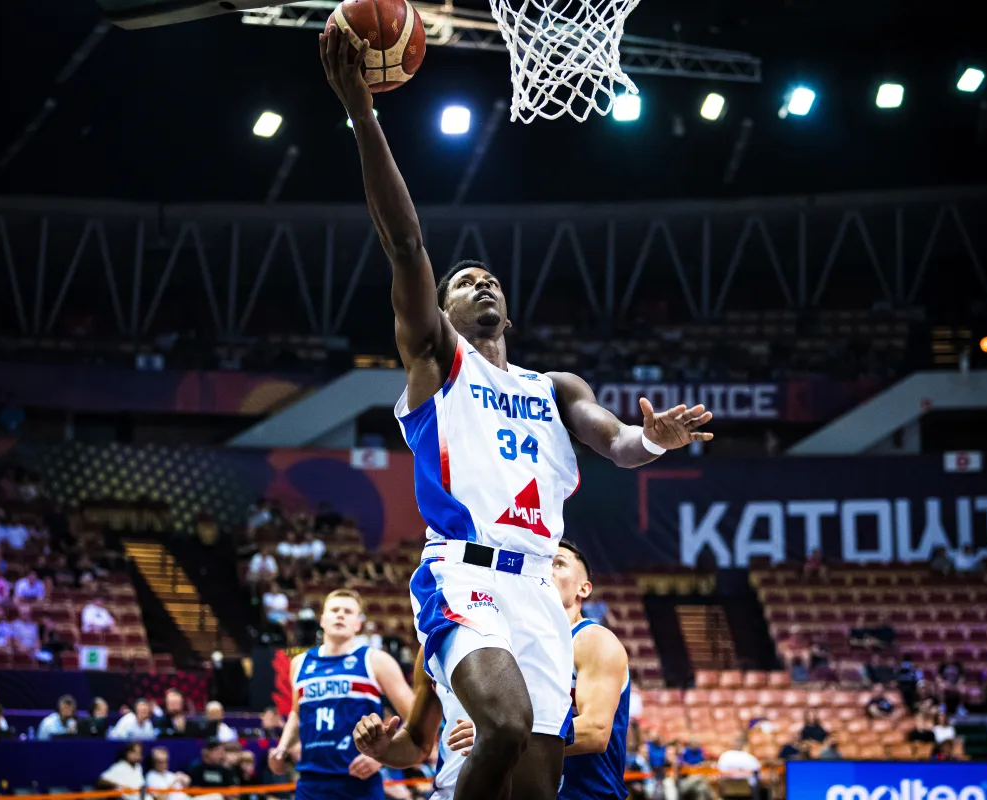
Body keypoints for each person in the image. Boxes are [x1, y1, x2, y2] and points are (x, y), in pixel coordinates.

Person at [319, 21, 714, 800]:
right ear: (443, 309)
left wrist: (653, 438)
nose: (483, 286)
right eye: (465, 282)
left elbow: (619, 444)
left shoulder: (556, 387)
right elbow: (403, 246)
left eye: (491, 279)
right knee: (497, 724)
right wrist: (363, 112)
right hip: (462, 575)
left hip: (537, 592)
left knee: (534, 784)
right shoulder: (438, 362)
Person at [354, 542, 631, 800]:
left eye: (557, 563)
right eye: (540, 561)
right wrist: (384, 751)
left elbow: (596, 730)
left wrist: (499, 733)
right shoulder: (449, 640)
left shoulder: (591, 640)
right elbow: (417, 742)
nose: (545, 569)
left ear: (583, 588)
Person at [268, 589, 415, 800]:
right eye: (334, 610)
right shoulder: (300, 663)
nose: (340, 615)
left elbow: (414, 715)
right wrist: (282, 748)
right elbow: (297, 713)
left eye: (348, 611)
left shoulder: (375, 660)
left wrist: (382, 757)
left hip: (359, 783)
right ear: (322, 620)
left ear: (358, 623)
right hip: (310, 783)